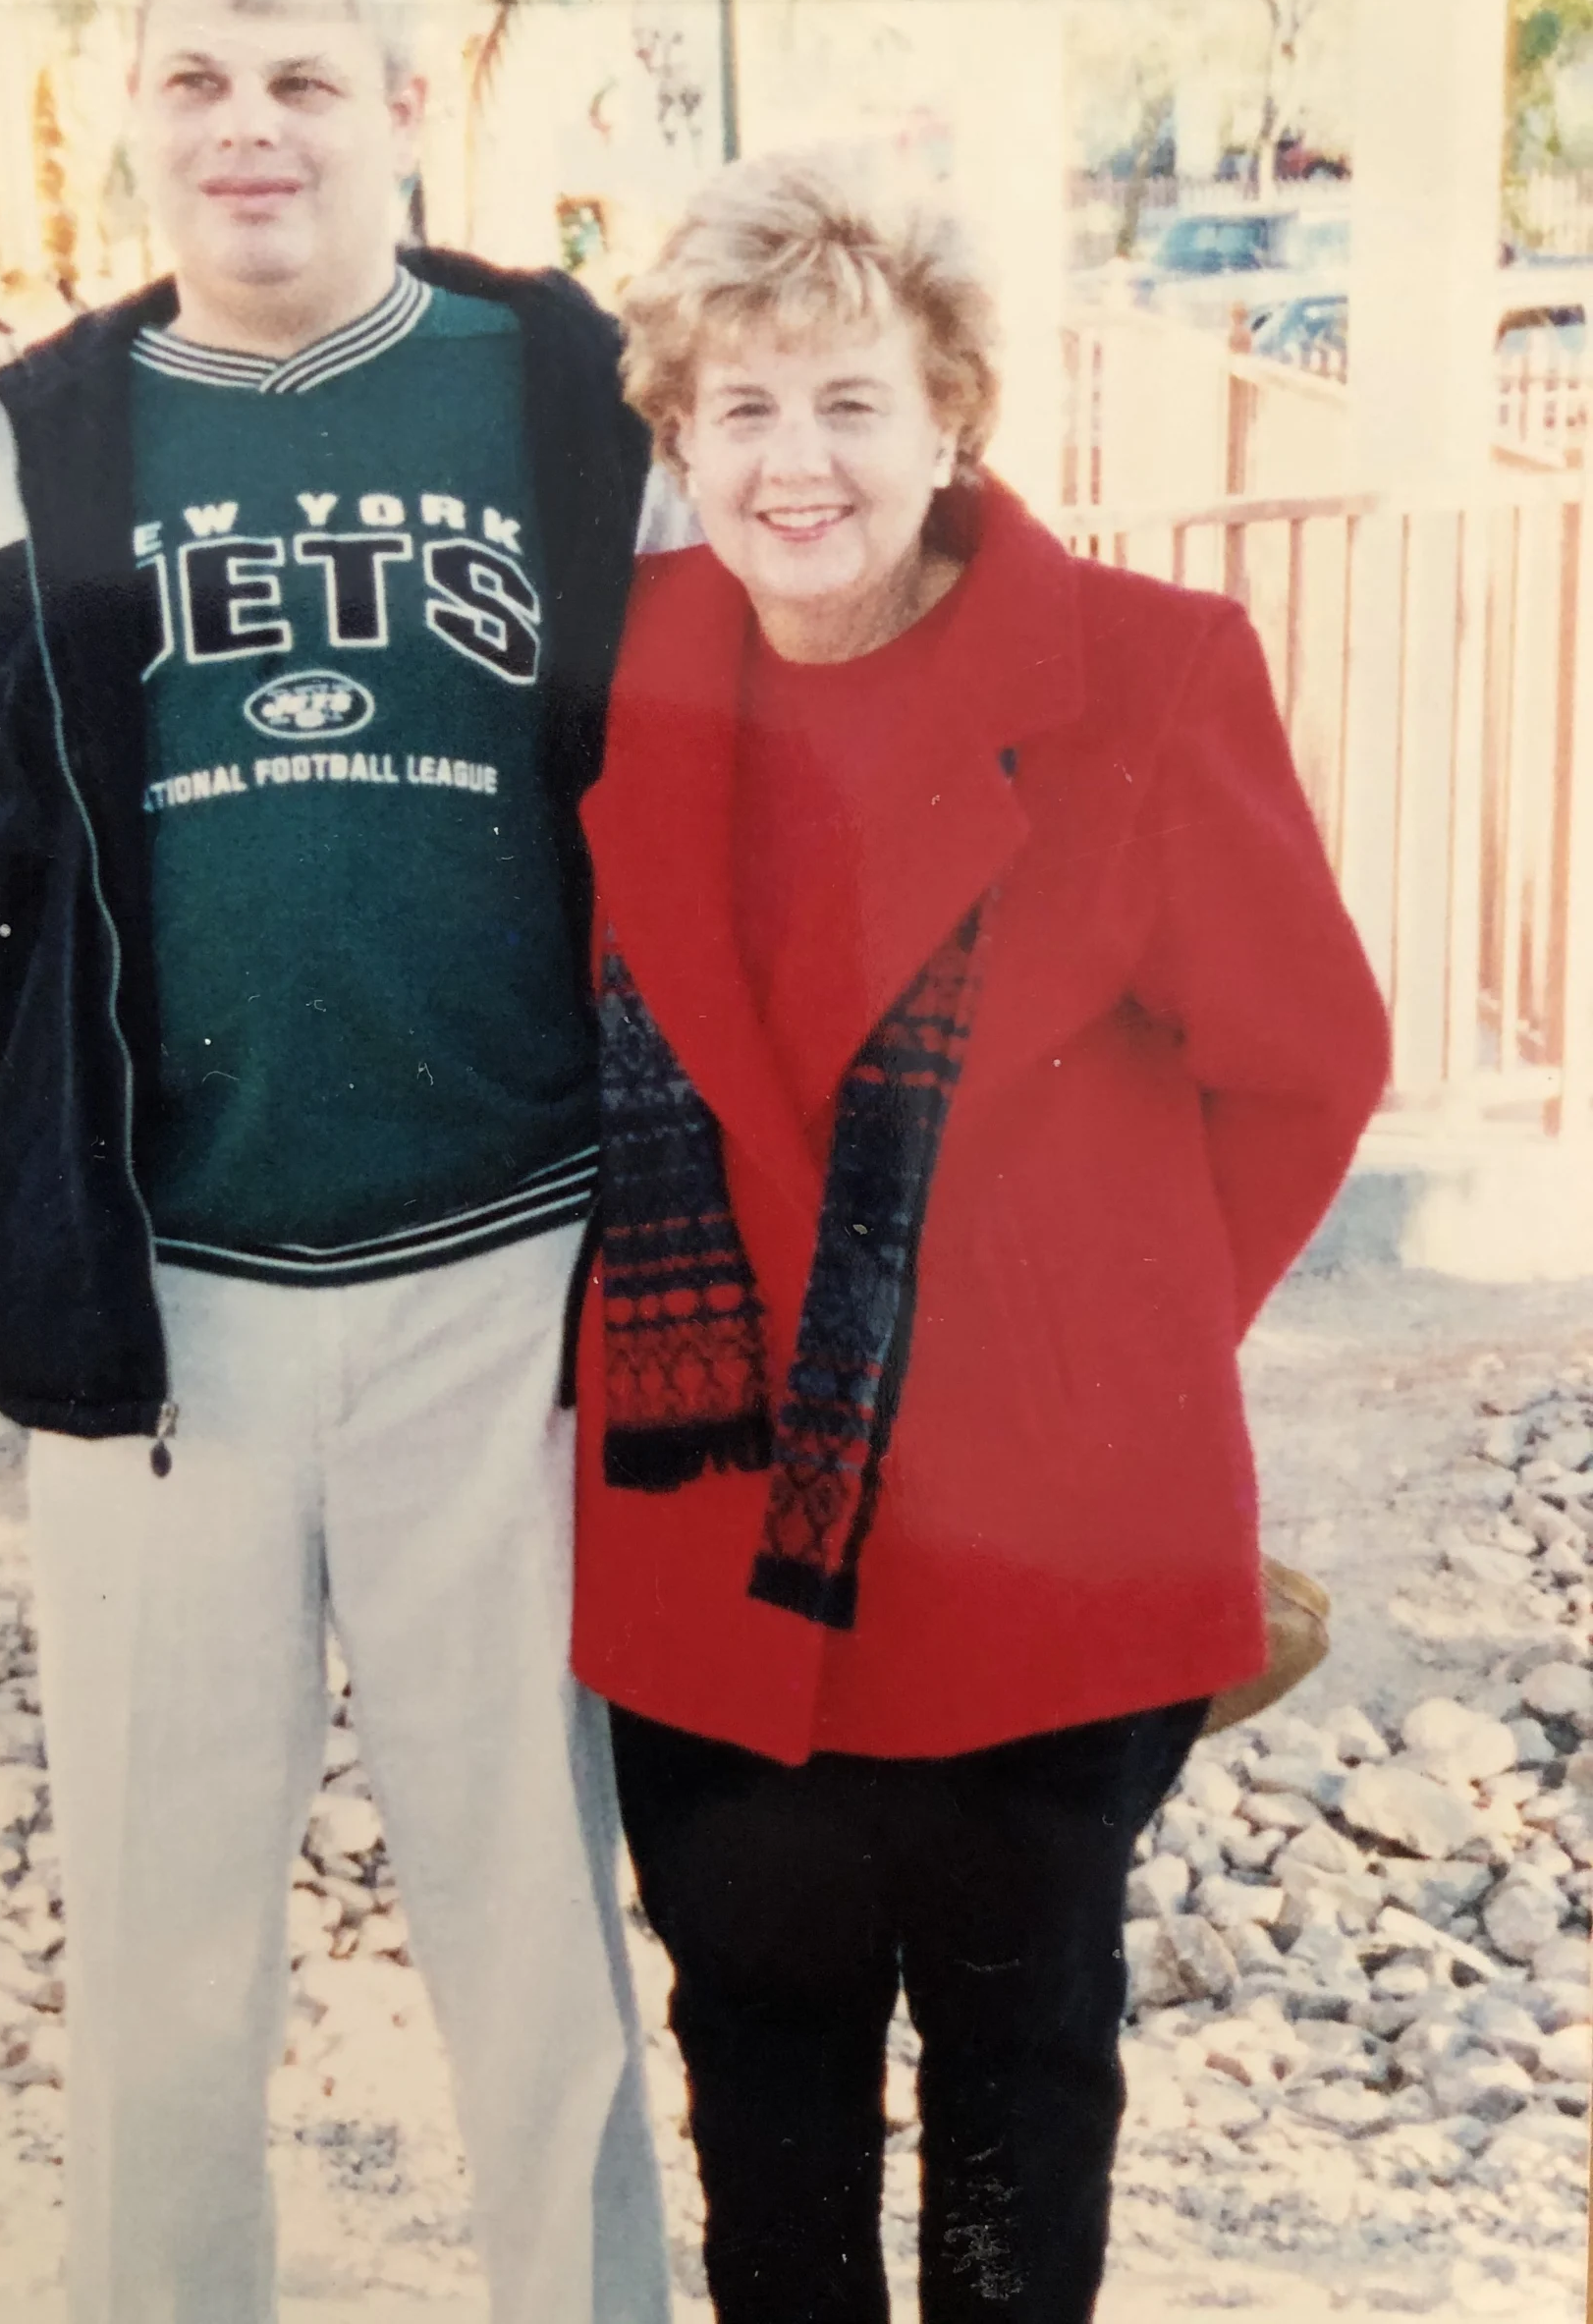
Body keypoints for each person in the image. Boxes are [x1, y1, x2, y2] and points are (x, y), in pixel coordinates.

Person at [0, 0, 671, 2324]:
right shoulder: (17, 450)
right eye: (195, 77)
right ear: (131, 110)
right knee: (161, 1967)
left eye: (301, 77)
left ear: (403, 102)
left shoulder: (577, 394)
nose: (248, 127)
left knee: (544, 1959)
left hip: (514, 1281)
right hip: (160, 1318)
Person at [569, 147, 1393, 2323]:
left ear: (952, 417)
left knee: (1024, 2082)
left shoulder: (1145, 673)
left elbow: (1306, 1063)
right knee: (762, 2082)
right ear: (678, 443)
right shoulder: (618, 672)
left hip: (1052, 1549)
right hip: (713, 1541)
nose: (797, 461)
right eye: (738, 410)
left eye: (849, 399)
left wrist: (1093, 1341)